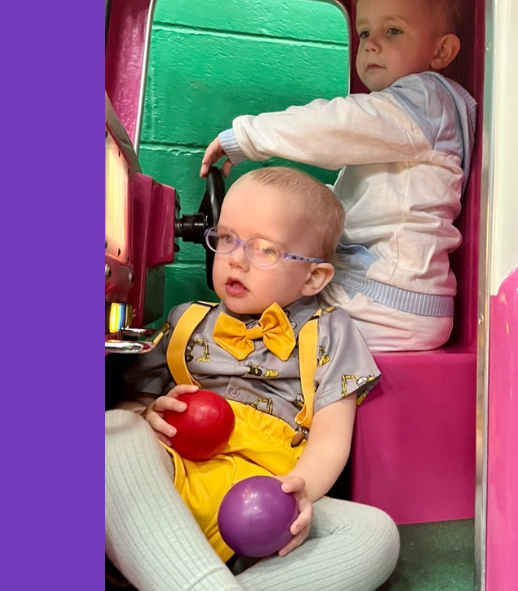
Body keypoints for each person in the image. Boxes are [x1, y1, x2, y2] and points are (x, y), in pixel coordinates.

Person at [106, 167, 400, 591]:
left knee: (374, 534)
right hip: (174, 481)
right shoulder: (185, 320)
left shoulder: (330, 331)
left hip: (267, 497)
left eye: (265, 249)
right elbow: (133, 401)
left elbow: (332, 436)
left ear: (313, 277)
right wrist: (148, 413)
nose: (236, 259)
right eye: (226, 239)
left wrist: (300, 492)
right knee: (112, 430)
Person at [200, 0, 476, 352]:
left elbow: (336, 125)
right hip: (387, 295)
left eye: (392, 31)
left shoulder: (424, 101)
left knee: (257, 337)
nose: (372, 45)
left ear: (441, 51)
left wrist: (249, 136)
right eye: (365, 33)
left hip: (388, 301)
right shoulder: (407, 119)